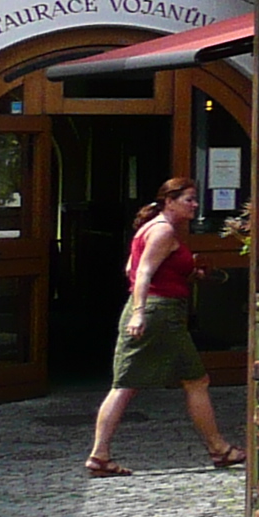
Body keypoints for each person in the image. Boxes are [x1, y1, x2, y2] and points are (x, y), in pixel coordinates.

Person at [85, 179, 240, 477]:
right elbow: (141, 272)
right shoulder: (163, 231)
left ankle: (100, 455)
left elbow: (131, 267)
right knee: (194, 381)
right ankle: (218, 449)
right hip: (161, 313)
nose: (195, 205)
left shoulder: (150, 229)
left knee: (126, 385)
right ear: (170, 201)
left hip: (157, 310)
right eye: (189, 199)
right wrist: (140, 313)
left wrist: (190, 273)